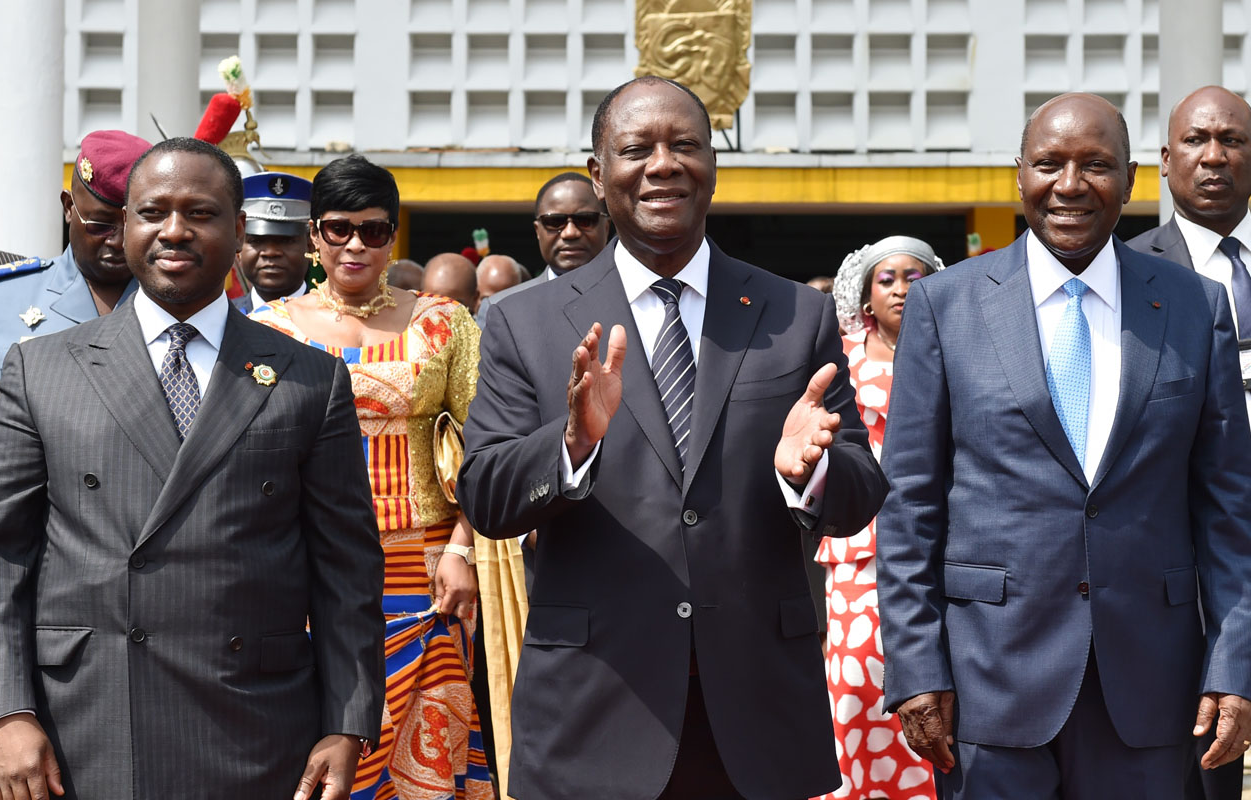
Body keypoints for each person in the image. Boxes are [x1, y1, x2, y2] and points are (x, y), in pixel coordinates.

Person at [458, 76, 887, 800]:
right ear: (599, 176)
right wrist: (571, 446)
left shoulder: (793, 314)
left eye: (685, 145)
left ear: (713, 167)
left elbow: (859, 491)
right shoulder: (521, 322)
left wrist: (804, 474)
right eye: (637, 149)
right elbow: (488, 495)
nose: (663, 164)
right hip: (594, 711)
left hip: (755, 716)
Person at [0, 137, 385, 799]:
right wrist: (7, 712)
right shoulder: (40, 369)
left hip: (257, 723)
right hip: (82, 724)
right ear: (127, 224)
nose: (174, 230)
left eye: (200, 212)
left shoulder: (310, 379)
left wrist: (348, 720)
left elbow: (347, 570)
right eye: (152, 211)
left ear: (238, 228)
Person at [877, 93, 1251, 799]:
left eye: (1096, 165)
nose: (1071, 185)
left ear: (1133, 179)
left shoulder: (1195, 307)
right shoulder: (945, 307)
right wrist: (917, 668)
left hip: (1154, 692)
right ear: (1019, 175)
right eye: (1050, 163)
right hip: (987, 689)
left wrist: (1235, 665)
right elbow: (909, 509)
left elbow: (1230, 511)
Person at [248, 153, 493, 800]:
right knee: (318, 746)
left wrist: (464, 549)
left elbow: (486, 444)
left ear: (393, 235)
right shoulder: (266, 331)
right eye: (338, 228)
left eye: (374, 229)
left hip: (428, 568)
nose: (355, 244)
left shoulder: (444, 322)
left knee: (426, 755)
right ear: (312, 236)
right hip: (308, 568)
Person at [1124, 84, 1251, 800]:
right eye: (1197, 142)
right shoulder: (1126, 274)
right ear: (1167, 161)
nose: (1214, 156)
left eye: (1231, 141)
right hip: (1187, 584)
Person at [813, 236, 942, 800]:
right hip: (858, 544)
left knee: (935, 685)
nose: (900, 288)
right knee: (857, 689)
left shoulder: (953, 349)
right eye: (887, 278)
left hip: (939, 537)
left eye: (913, 277)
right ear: (866, 297)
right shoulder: (840, 357)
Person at [0, 129, 151, 463]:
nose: (117, 242)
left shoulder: (171, 302)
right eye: (100, 225)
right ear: (69, 207)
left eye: (131, 226)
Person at [475, 172, 611, 328]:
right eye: (554, 221)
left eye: (585, 220)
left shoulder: (635, 296)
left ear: (606, 228)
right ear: (538, 231)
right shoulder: (500, 310)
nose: (570, 233)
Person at [234, 171, 313, 314]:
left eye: (286, 240)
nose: (270, 252)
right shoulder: (221, 320)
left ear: (311, 245)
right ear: (239, 246)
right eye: (256, 240)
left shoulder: (337, 322)